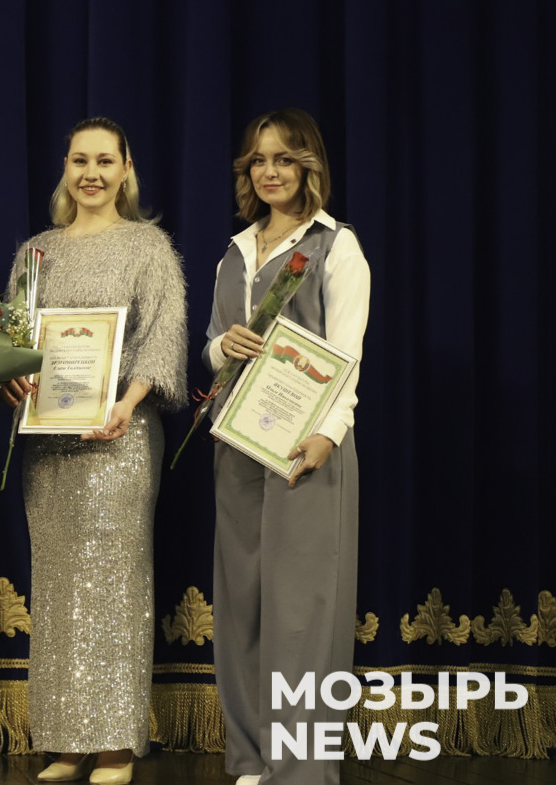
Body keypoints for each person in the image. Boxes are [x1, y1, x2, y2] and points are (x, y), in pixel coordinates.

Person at [0, 117, 188, 785]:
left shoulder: (148, 246)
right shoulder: (36, 254)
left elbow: (164, 337)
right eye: (80, 160)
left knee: (114, 584)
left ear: (125, 169)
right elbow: (14, 341)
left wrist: (127, 403)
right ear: (65, 167)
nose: (92, 173)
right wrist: (10, 377)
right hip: (49, 445)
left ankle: (114, 744)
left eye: (105, 161)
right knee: (58, 589)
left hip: (120, 441)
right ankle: (67, 739)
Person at [205, 108, 370, 785]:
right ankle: (252, 757)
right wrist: (223, 345)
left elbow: (347, 353)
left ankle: (300, 768)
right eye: (258, 160)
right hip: (239, 443)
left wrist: (330, 431)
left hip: (307, 444)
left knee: (302, 609)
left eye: (283, 159)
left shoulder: (337, 245)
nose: (269, 171)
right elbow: (212, 345)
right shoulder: (235, 250)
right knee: (243, 600)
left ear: (308, 166)